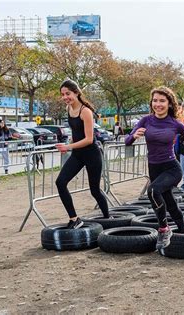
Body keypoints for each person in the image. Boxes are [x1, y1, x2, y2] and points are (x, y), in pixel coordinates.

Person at [125, 87, 184, 252]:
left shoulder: (175, 123)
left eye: (162, 101)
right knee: (169, 202)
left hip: (171, 168)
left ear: (169, 104)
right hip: (154, 168)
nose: (158, 104)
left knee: (153, 191)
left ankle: (164, 229)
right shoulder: (145, 121)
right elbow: (127, 141)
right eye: (155, 100)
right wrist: (133, 136)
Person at [55, 79, 110, 229]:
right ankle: (74, 219)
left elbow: (89, 139)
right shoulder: (69, 109)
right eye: (63, 94)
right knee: (60, 182)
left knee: (94, 190)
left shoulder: (85, 111)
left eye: (68, 93)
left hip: (92, 154)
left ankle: (108, 219)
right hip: (78, 155)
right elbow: (76, 133)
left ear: (77, 93)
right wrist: (71, 144)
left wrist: (68, 146)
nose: (65, 97)